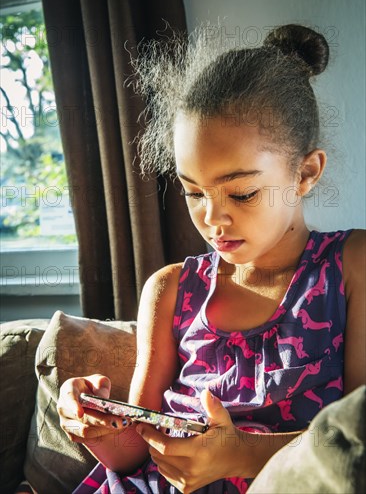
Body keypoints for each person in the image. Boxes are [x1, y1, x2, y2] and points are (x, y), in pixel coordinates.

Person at [57, 24, 366, 494]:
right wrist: (94, 424)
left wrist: (241, 453)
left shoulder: (351, 267)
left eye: (241, 193)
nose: (213, 218)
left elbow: (358, 437)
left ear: (305, 173)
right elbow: (135, 451)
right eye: (193, 192)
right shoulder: (170, 289)